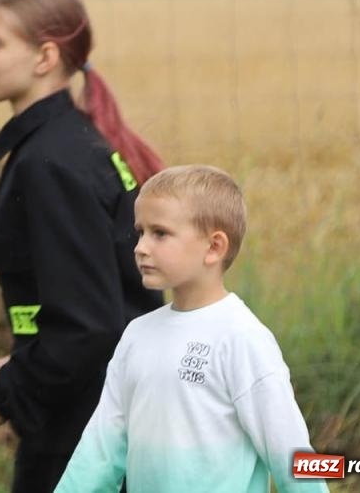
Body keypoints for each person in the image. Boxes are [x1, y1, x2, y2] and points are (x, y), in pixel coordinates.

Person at [0, 0, 164, 493]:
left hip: (83, 435)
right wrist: (17, 363)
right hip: (102, 415)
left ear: (45, 57)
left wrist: (7, 396)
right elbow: (98, 308)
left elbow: (87, 326)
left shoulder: (51, 164)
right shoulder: (67, 146)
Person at [55, 165, 326, 492]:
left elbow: (289, 452)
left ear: (214, 247)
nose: (141, 247)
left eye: (160, 233)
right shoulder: (137, 336)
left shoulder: (241, 338)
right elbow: (100, 449)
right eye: (140, 231)